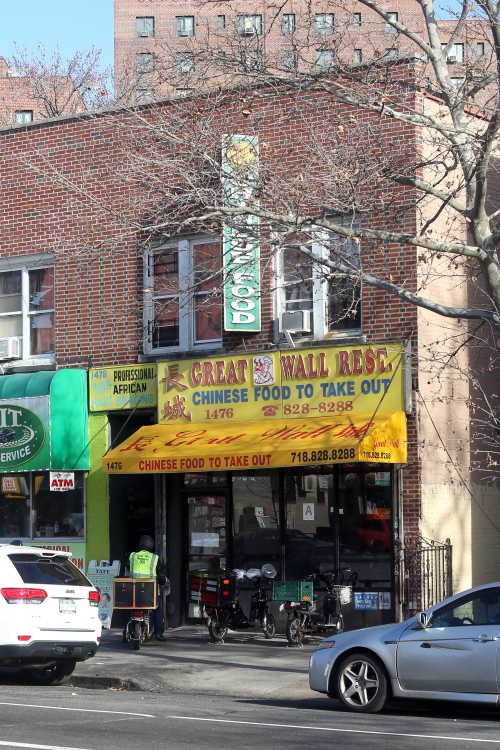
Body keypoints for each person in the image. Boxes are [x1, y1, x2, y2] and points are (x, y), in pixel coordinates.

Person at [123, 535, 167, 642]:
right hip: (150, 592)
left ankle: (125, 633)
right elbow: (161, 576)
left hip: (134, 591)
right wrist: (162, 583)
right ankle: (159, 633)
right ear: (151, 546)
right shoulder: (154, 558)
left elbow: (127, 567)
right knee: (157, 610)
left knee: (129, 609)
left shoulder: (133, 556)